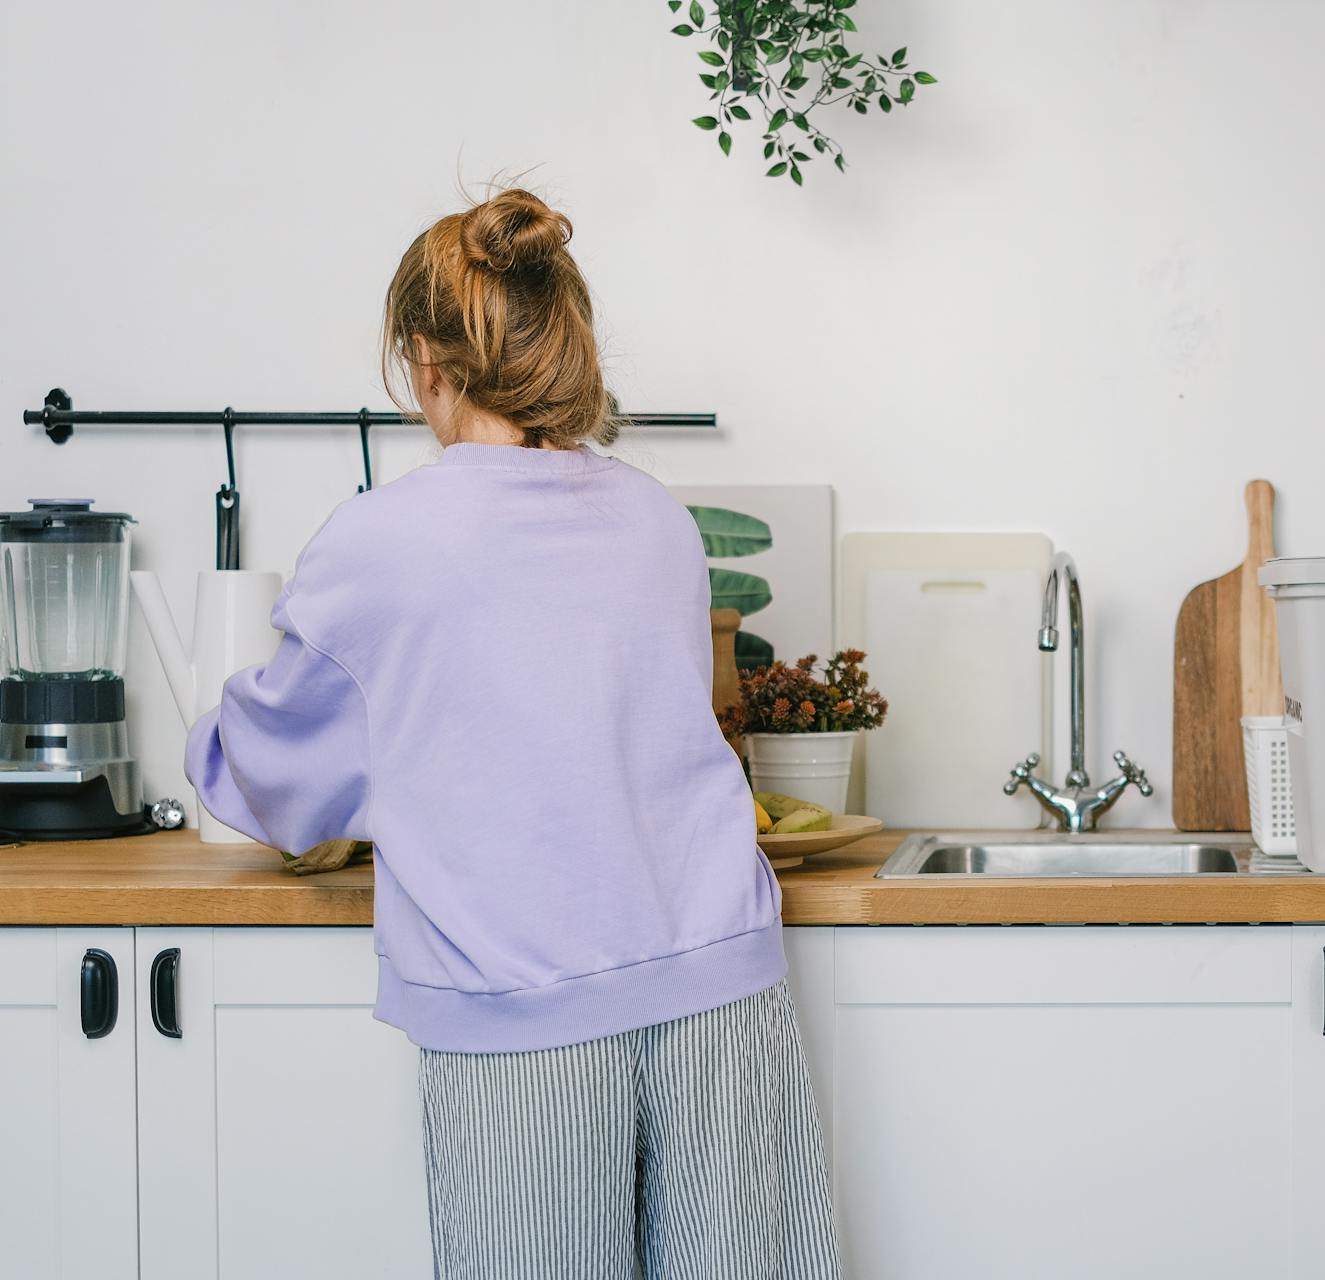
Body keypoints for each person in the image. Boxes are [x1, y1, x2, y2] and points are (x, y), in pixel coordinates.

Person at [185, 187, 839, 1279]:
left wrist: (208, 741)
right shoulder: (655, 519)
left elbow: (275, 776)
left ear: (425, 365)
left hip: (524, 1015)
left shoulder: (380, 541)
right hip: (726, 994)